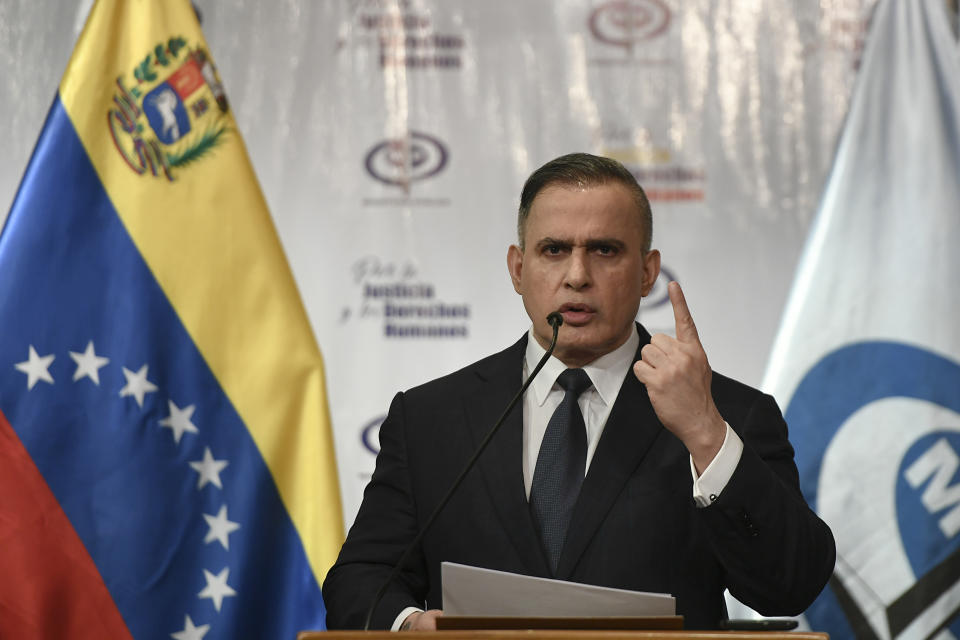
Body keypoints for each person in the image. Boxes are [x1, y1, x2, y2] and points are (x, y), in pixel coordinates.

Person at [322, 153, 835, 630]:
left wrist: (704, 433)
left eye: (605, 250)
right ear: (519, 269)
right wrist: (408, 623)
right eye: (554, 250)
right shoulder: (430, 417)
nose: (577, 276)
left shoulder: (729, 415)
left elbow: (789, 586)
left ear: (648, 273)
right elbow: (362, 577)